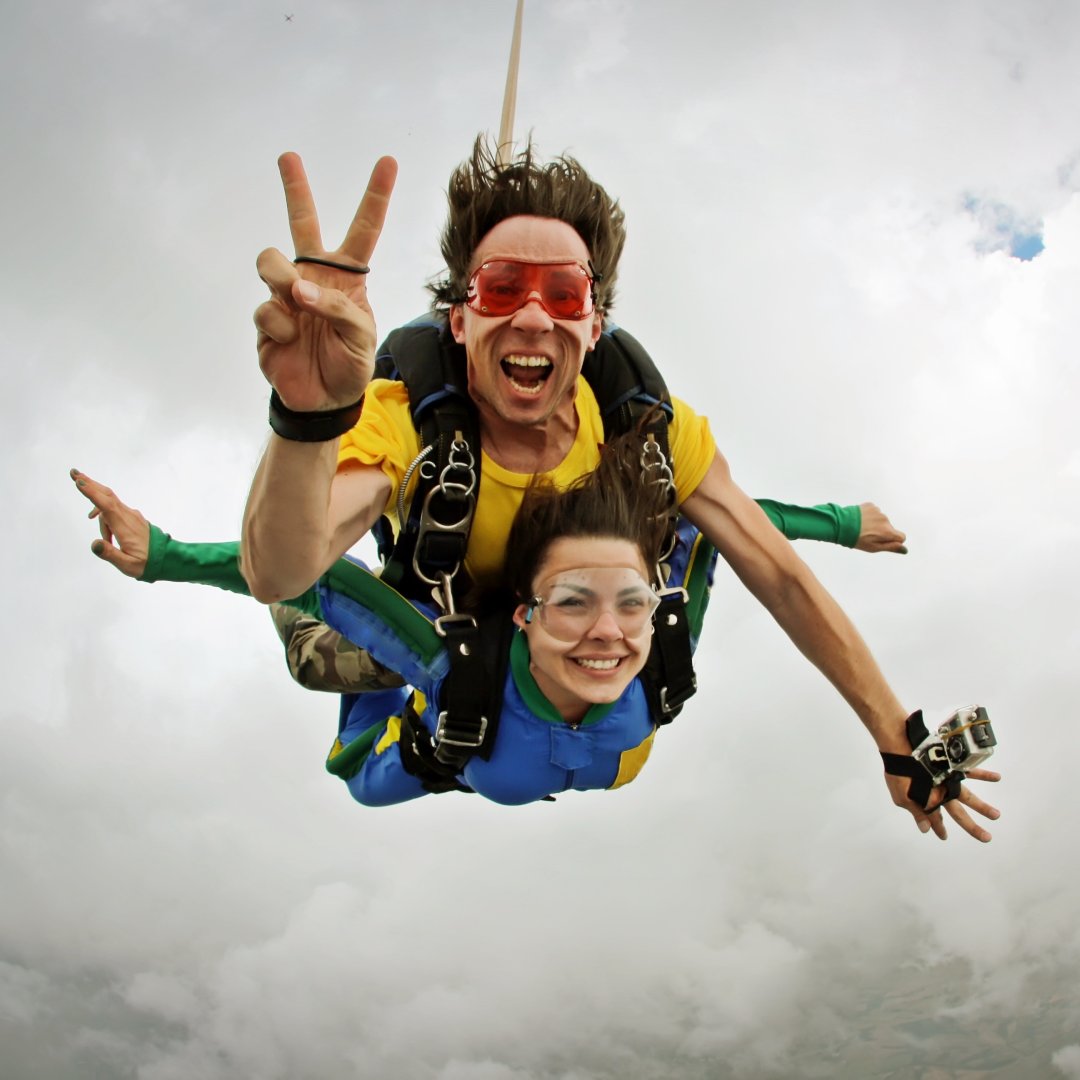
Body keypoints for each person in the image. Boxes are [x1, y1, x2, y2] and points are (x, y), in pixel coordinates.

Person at [241, 138, 997, 839]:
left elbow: (777, 573)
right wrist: (310, 417)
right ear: (460, 320)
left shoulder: (648, 433)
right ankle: (290, 552)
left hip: (560, 629)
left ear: (595, 324)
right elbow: (284, 569)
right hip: (451, 622)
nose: (534, 314)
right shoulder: (404, 421)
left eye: (564, 294)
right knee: (318, 649)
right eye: (502, 288)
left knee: (682, 543)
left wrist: (899, 736)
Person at [72, 449, 919, 807]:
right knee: (320, 656)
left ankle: (408, 540)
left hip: (490, 725)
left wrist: (843, 522)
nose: (608, 636)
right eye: (574, 606)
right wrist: (166, 554)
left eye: (628, 602)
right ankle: (390, 514)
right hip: (427, 717)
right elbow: (311, 575)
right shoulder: (452, 672)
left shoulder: (656, 646)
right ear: (529, 613)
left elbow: (724, 532)